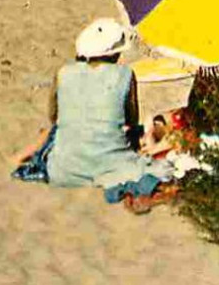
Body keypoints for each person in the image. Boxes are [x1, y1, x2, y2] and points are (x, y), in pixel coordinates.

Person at [16, 19, 176, 209]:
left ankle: (18, 158)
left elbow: (54, 117)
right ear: (115, 54)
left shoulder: (64, 73)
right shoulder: (125, 75)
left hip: (63, 165)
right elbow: (130, 120)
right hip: (111, 162)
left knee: (53, 132)